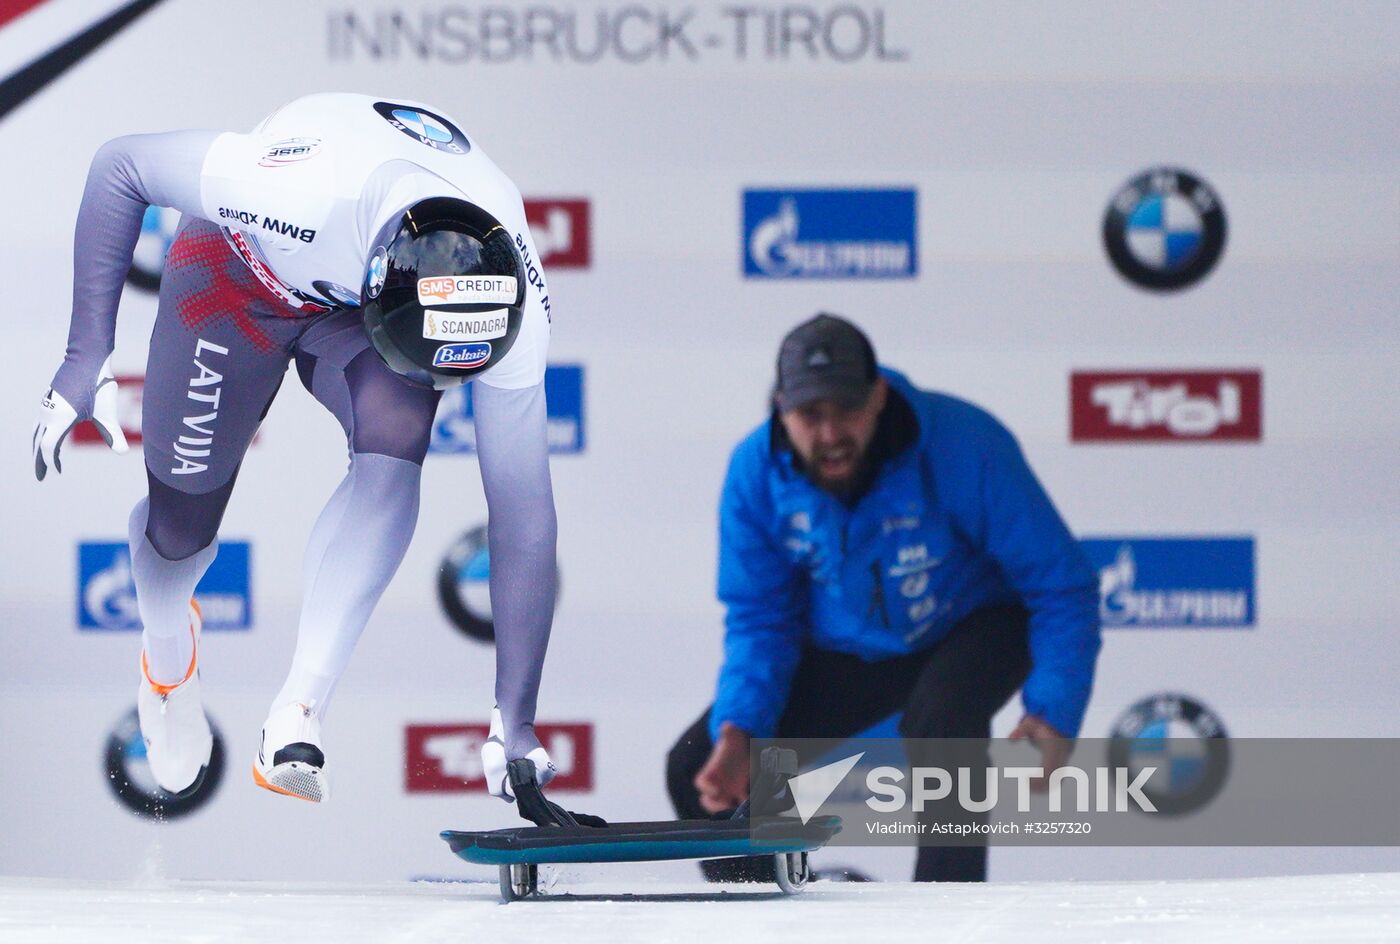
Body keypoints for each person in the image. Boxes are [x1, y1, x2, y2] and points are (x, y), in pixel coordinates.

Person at [32, 93, 560, 806]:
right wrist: (84, 350)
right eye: (428, 361)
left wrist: (516, 721)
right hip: (235, 275)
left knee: (400, 431)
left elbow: (522, 513)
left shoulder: (511, 298)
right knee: (180, 528)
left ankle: (298, 710)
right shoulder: (298, 188)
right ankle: (166, 658)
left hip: (354, 314)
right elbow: (120, 166)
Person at [665, 314, 1102, 882]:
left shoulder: (964, 442)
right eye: (809, 415)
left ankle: (946, 918)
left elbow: (1061, 585)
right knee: (697, 767)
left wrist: (1053, 707)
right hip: (854, 646)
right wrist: (740, 729)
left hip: (975, 623)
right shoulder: (755, 474)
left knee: (942, 722)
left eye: (845, 410)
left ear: (879, 398)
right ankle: (767, 919)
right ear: (779, 408)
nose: (829, 435)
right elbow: (761, 619)